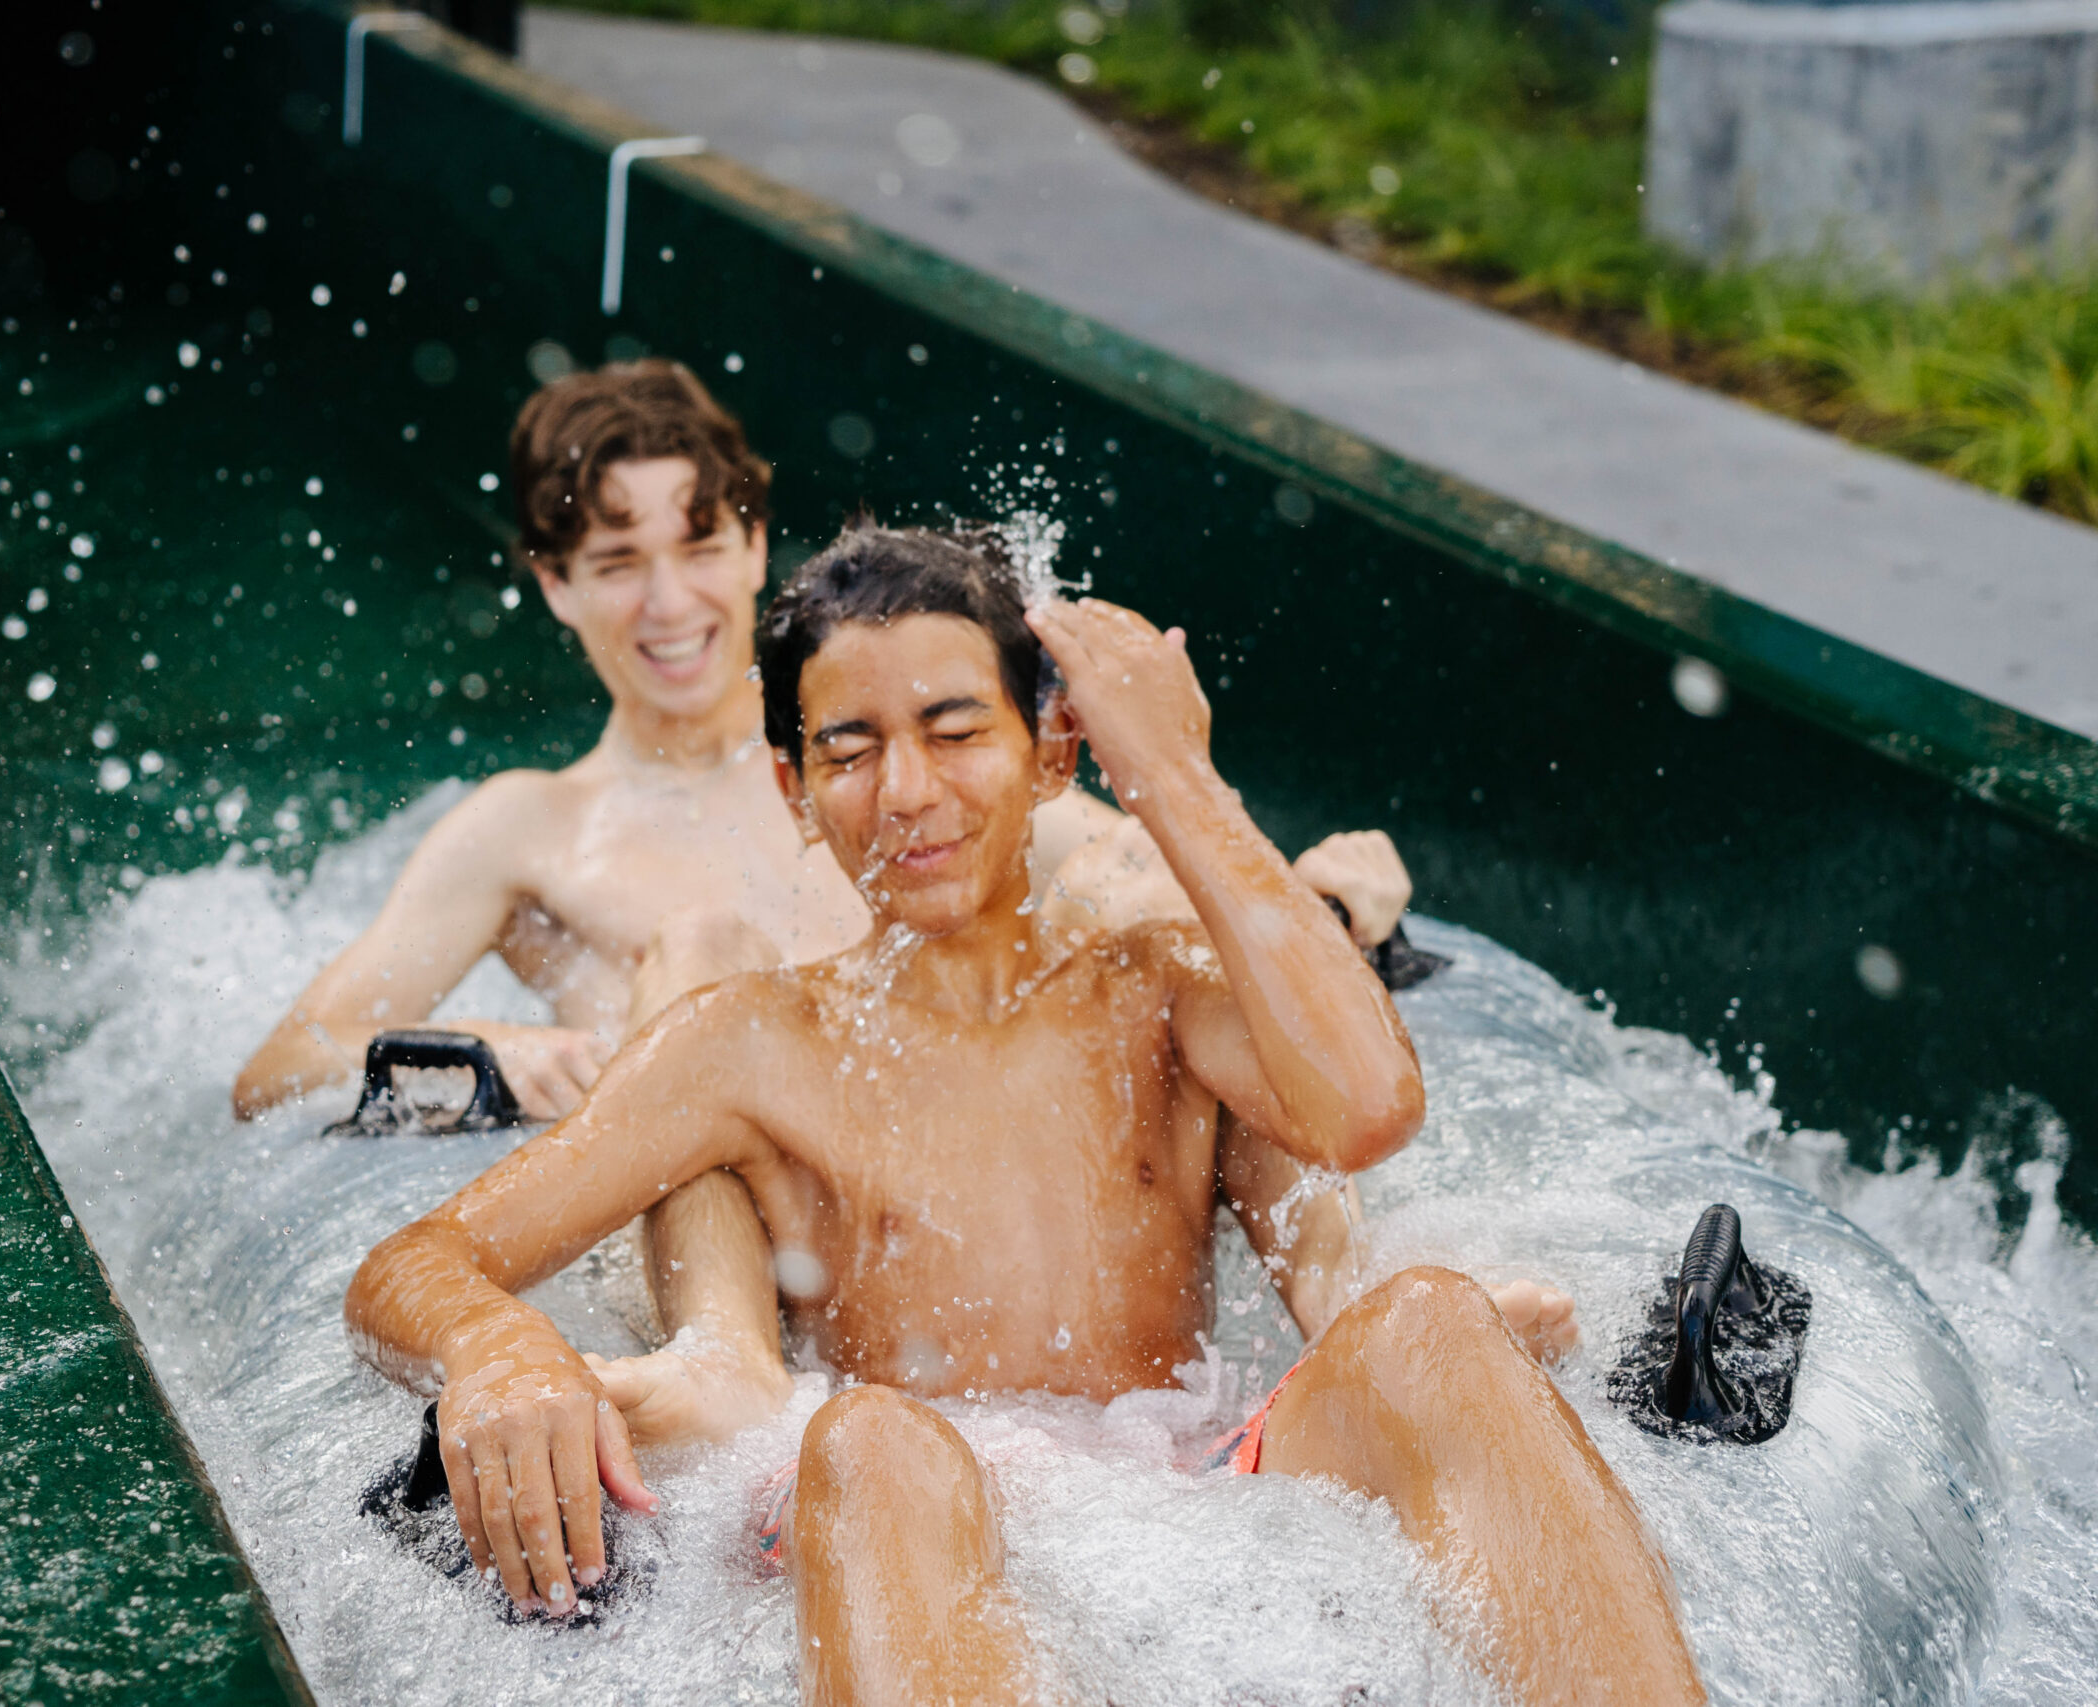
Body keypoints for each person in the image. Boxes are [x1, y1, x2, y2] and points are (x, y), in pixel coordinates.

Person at [342, 526, 1703, 1707]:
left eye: (954, 731)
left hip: (1192, 1467)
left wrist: (1174, 771)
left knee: (1434, 1321)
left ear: (1053, 751)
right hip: (926, 1515)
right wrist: (501, 1348)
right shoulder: (753, 1041)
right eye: (853, 748)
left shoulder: (1154, 989)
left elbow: (1366, 1107)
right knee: (868, 1440)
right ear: (792, 787)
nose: (911, 793)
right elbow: (412, 1263)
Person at [235, 362, 1425, 1438]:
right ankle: (725, 1358)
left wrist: (1315, 896)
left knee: (1164, 977)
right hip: (708, 1207)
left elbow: (1158, 895)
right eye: (615, 564)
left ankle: (1345, 1297)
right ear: (553, 583)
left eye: (699, 547)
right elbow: (284, 1067)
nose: (668, 602)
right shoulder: (530, 826)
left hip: (950, 1184)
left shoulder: (909, 767)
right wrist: (494, 1052)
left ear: (752, 545)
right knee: (704, 959)